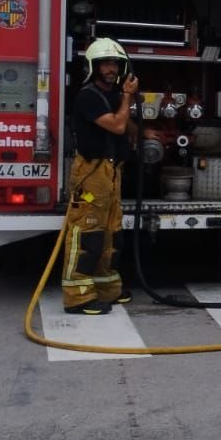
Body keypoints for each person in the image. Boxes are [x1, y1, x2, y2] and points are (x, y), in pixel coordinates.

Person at [61, 38, 139, 315]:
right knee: (87, 232)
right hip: (91, 175)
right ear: (93, 67)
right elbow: (117, 126)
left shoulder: (114, 95)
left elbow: (125, 123)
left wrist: (142, 132)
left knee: (111, 233)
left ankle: (107, 288)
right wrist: (128, 97)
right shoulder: (88, 96)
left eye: (115, 63)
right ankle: (77, 295)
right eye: (105, 63)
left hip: (111, 172)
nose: (111, 68)